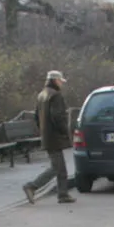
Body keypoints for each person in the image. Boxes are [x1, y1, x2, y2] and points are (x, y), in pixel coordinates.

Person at [24, 70, 74, 204]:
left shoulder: (42, 95)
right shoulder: (56, 96)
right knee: (57, 167)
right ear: (55, 81)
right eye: (60, 81)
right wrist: (64, 131)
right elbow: (58, 117)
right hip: (55, 137)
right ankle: (32, 186)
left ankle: (63, 194)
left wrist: (43, 130)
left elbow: (36, 116)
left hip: (47, 135)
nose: (61, 84)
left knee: (60, 167)